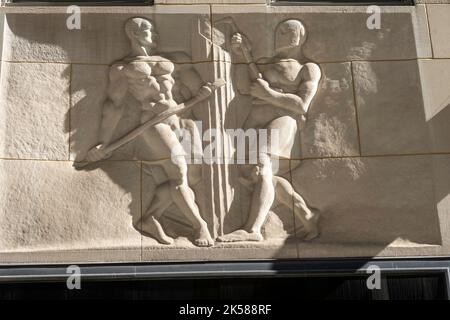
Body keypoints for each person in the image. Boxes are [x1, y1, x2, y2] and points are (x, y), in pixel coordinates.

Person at [85, 17, 214, 247]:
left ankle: (149, 218)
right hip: (153, 123)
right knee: (178, 171)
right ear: (134, 33)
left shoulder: (166, 61)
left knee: (189, 177)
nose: (155, 35)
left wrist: (201, 93)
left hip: (177, 119)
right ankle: (200, 226)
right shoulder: (123, 68)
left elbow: (188, 85)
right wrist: (103, 142)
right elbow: (114, 105)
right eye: (148, 30)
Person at [218, 19, 321, 242]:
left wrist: (270, 95)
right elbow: (244, 89)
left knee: (263, 165)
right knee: (260, 176)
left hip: (282, 120)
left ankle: (252, 230)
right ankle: (307, 215)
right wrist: (239, 55)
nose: (281, 33)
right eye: (279, 30)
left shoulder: (307, 68)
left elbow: (302, 104)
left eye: (288, 30)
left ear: (301, 36)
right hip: (253, 122)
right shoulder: (264, 62)